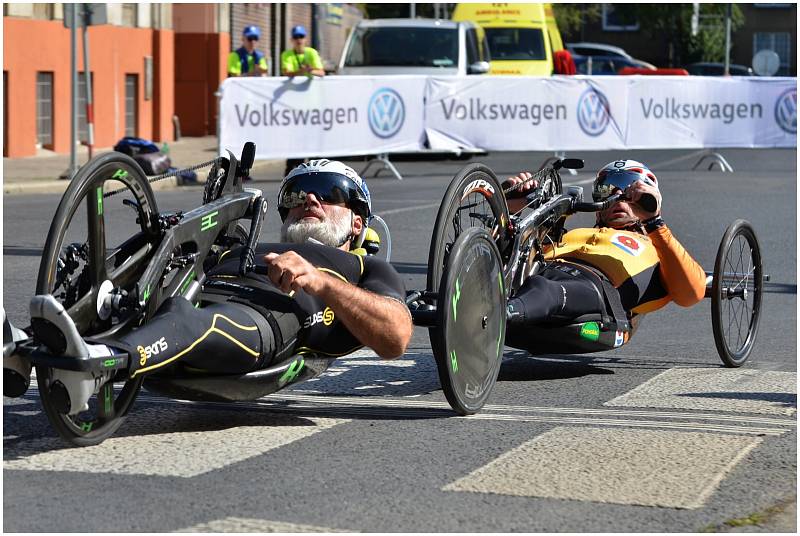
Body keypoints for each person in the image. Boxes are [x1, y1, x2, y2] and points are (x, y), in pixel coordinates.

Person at [19, 160, 413, 414]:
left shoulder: (365, 266)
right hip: (194, 292)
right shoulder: (247, 241)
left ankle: (98, 363)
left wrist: (321, 282)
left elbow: (395, 335)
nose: (310, 198)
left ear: (358, 222)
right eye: (295, 194)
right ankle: (23, 346)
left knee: (187, 320)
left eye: (331, 193)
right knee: (138, 295)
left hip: (260, 320)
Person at [502, 159, 707, 352]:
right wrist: (512, 209)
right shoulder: (575, 234)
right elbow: (517, 257)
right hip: (541, 273)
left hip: (596, 289)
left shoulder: (658, 246)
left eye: (629, 189)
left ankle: (502, 314)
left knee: (543, 288)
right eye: (606, 189)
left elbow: (692, 293)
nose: (617, 194)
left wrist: (654, 221)